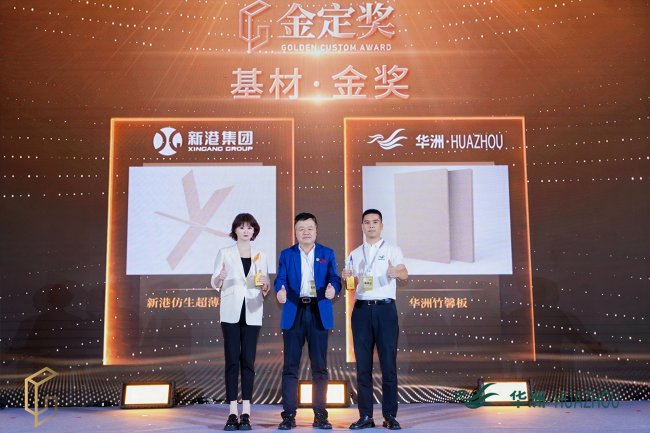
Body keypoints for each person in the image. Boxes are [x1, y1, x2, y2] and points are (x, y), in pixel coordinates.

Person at [341, 209, 408, 430]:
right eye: (367, 222)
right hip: (361, 311)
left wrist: (396, 272)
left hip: (385, 310)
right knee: (363, 367)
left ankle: (389, 416)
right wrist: (346, 279)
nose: (371, 225)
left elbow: (405, 273)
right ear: (362, 226)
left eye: (375, 222)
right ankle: (365, 416)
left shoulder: (392, 250)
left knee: (388, 365)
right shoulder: (354, 253)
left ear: (381, 225)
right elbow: (351, 287)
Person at [274, 212, 341, 430]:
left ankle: (320, 415)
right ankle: (288, 416)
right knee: (290, 367)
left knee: (319, 367)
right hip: (294, 310)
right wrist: (279, 291)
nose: (306, 232)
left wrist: (334, 289)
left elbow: (335, 278)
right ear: (295, 232)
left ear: (316, 231)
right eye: (301, 229)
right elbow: (280, 278)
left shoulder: (327, 253)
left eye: (310, 228)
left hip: (318, 310)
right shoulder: (287, 254)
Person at [211, 213, 270, 431]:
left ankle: (246, 412)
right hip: (230, 312)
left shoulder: (261, 255)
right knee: (232, 361)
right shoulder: (224, 252)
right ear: (235, 230)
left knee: (248, 361)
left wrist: (266, 283)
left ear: (254, 231)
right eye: (242, 227)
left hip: (252, 311)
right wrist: (220, 277)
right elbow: (214, 281)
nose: (246, 231)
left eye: (250, 228)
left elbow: (265, 285)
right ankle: (232, 412)